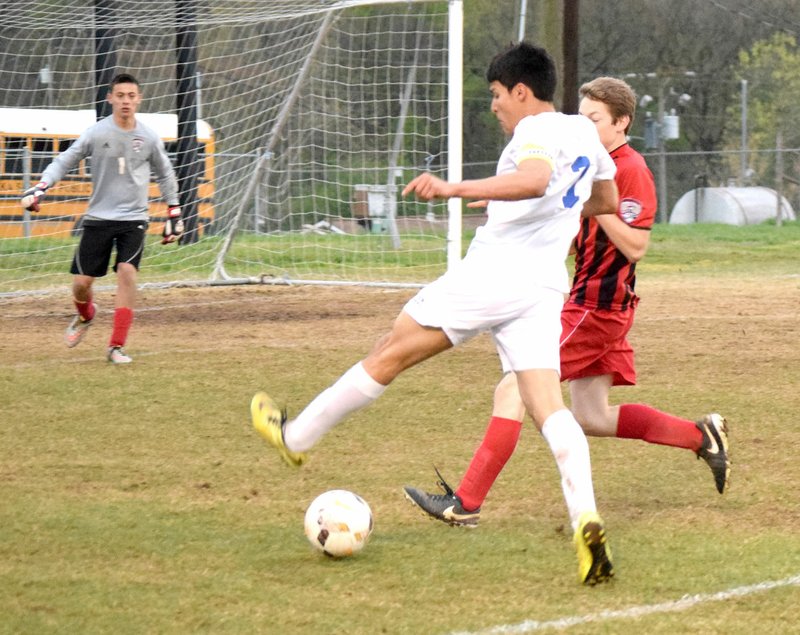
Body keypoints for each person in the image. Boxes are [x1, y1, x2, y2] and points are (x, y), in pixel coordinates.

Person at [252, 43, 619, 585]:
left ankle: (297, 439)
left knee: (389, 354)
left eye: (496, 96)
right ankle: (585, 519)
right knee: (548, 408)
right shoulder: (584, 132)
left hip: (493, 276)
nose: (494, 107)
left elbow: (537, 178)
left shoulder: (533, 130)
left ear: (522, 91)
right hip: (543, 286)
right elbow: (603, 198)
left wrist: (455, 188)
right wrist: (519, 203)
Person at [402, 76, 731, 532]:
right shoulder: (582, 162)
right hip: (588, 300)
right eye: (582, 117)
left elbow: (635, 247)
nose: (585, 126)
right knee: (591, 416)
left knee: (514, 387)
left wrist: (593, 205)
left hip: (597, 306)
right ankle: (700, 436)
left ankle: (467, 501)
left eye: (595, 119)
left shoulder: (629, 169)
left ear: (621, 123)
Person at [20, 73, 183, 364]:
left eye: (131, 96)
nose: (126, 101)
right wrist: (41, 187)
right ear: (110, 98)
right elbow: (65, 160)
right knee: (82, 284)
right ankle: (86, 315)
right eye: (120, 95)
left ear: (139, 99)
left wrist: (174, 210)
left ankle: (116, 346)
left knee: (127, 273)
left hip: (134, 218)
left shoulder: (148, 136)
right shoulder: (96, 133)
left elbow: (166, 173)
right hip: (98, 217)